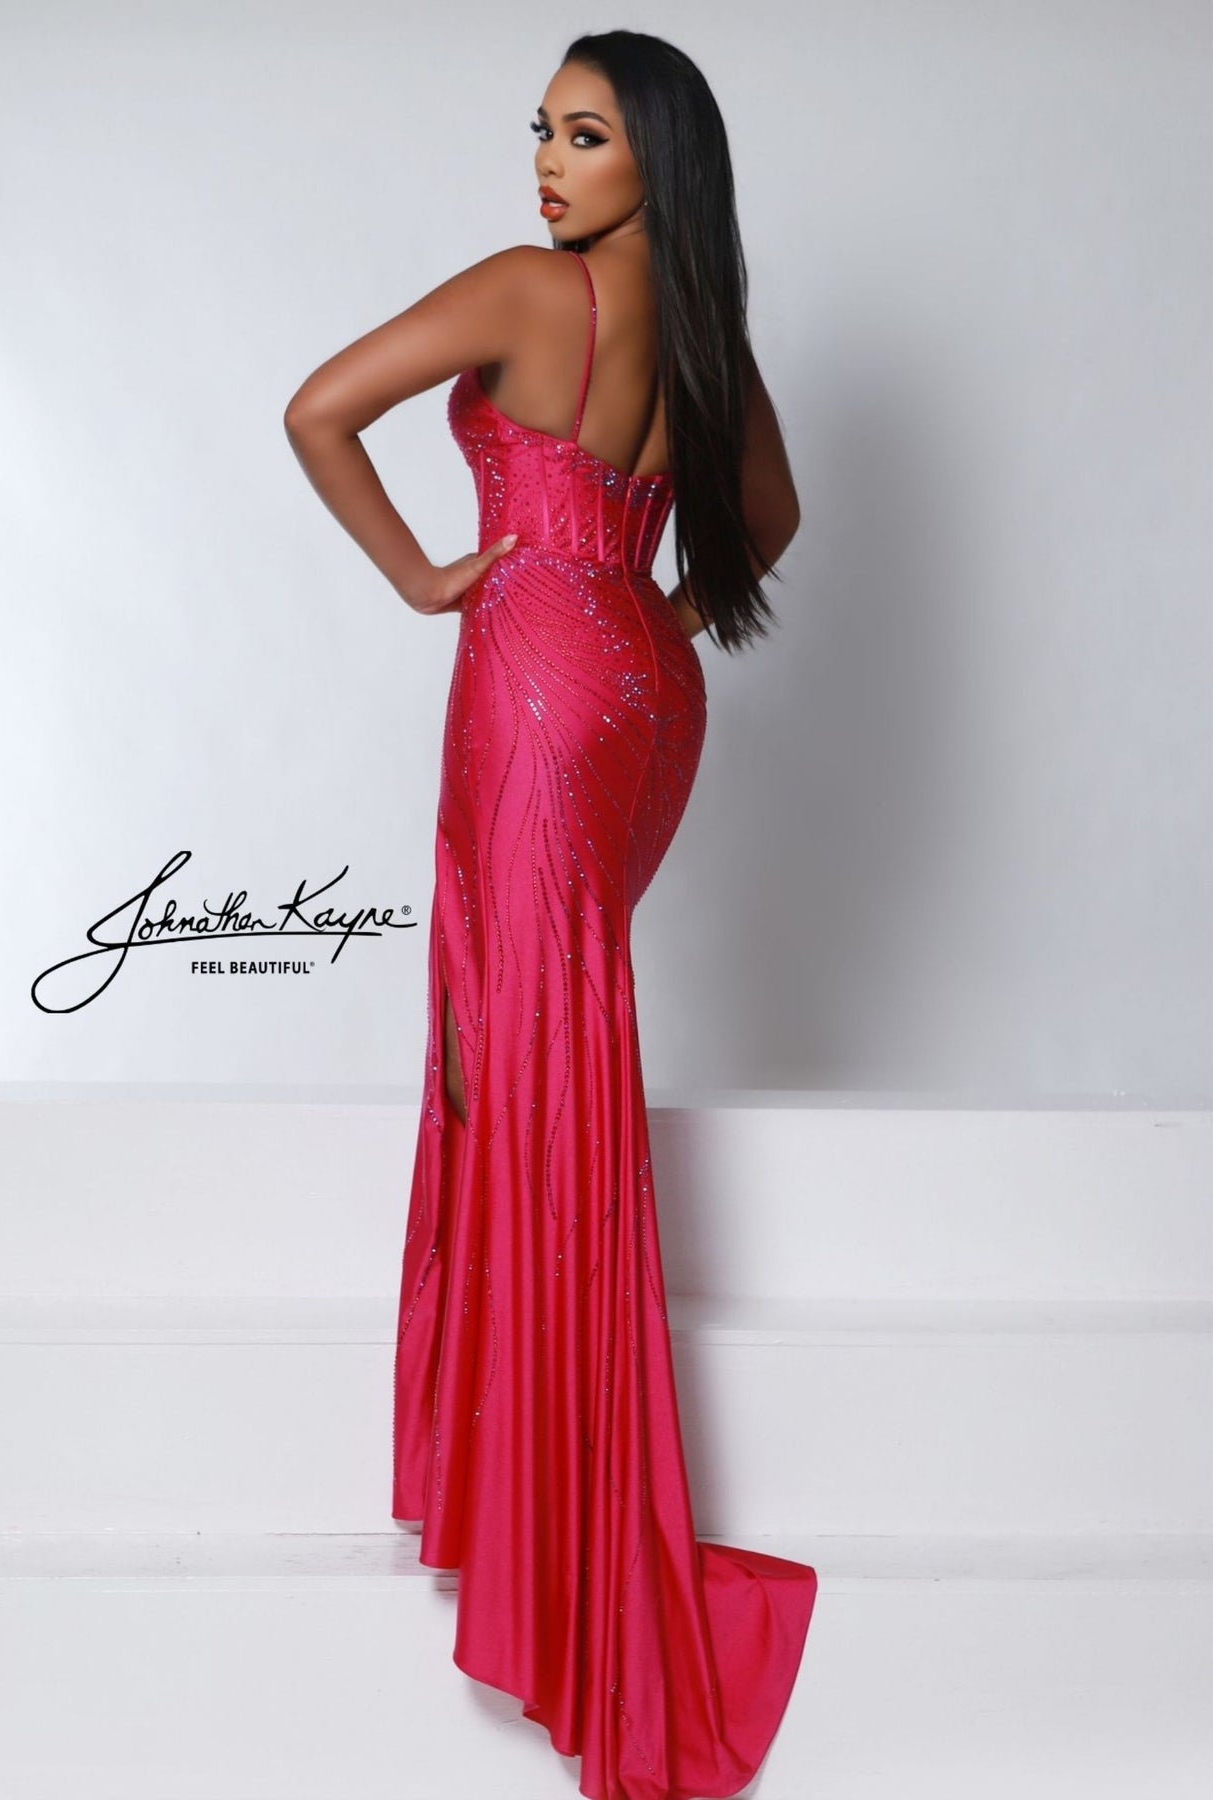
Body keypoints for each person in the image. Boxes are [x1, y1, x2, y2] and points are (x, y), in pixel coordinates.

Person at [285, 29, 816, 1800]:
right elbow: (771, 513)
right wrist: (650, 604)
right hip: (651, 693)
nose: (546, 163)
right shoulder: (706, 328)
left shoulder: (531, 292)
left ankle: (537, 1511)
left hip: (533, 682)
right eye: (543, 130)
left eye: (584, 135)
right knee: (552, 1036)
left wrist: (430, 575)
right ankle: (530, 1458)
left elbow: (315, 409)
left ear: (656, 154)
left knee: (518, 1048)